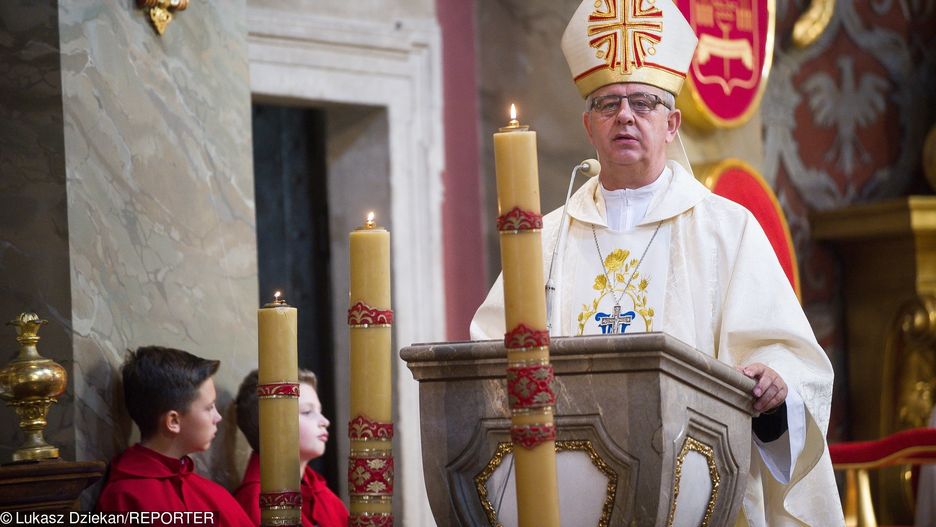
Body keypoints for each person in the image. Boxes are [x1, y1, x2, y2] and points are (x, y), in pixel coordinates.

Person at [470, 0, 843, 525]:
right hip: (567, 499)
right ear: (588, 126)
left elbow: (788, 360)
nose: (624, 115)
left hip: (694, 495)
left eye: (643, 103)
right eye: (608, 104)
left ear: (672, 124)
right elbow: (490, 361)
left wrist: (774, 384)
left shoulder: (725, 229)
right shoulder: (544, 240)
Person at [96, 346, 253, 526]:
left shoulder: (213, 494)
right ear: (173, 421)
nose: (218, 417)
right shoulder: (124, 499)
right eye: (209, 408)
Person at [233, 369, 348, 527]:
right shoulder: (258, 502)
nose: (325, 421)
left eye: (319, 411)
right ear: (272, 424)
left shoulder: (325, 497)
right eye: (307, 412)